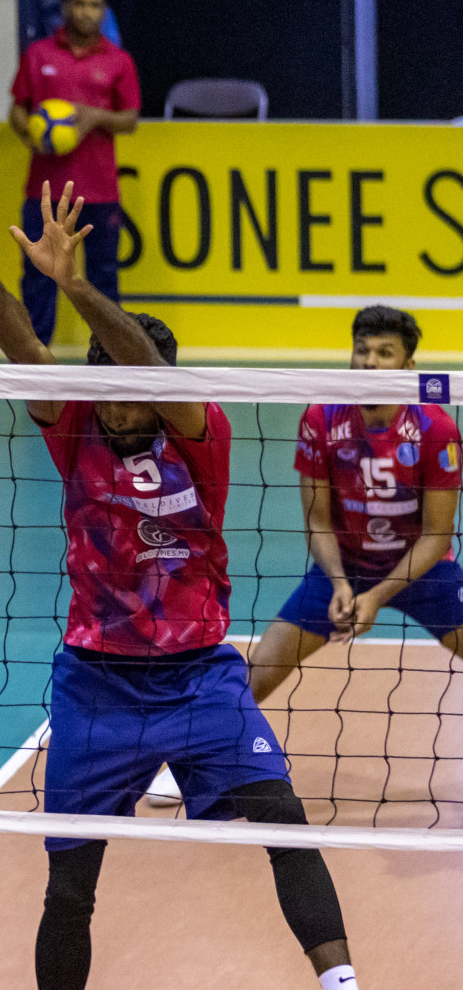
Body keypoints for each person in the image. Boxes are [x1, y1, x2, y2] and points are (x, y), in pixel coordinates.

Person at [0, 176, 359, 990]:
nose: (127, 400)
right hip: (96, 687)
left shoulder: (201, 434)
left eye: (140, 383)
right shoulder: (73, 429)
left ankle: (342, 983)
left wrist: (76, 285)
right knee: (69, 886)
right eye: (112, 385)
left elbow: (150, 373)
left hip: (201, 679)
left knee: (283, 820)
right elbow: (24, 346)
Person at [148, 306, 463, 805]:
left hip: (421, 570)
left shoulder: (436, 425)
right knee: (263, 666)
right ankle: (191, 764)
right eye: (363, 351)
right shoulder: (322, 415)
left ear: (408, 367)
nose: (370, 363)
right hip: (345, 566)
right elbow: (318, 520)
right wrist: (340, 583)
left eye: (385, 354)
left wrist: (377, 596)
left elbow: (438, 535)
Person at [8, 0, 139, 345]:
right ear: (65, 6)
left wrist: (94, 116)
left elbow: (129, 120)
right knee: (37, 277)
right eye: (80, 3)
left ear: (104, 11)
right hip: (45, 193)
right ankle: (35, 361)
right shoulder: (38, 55)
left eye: (95, 5)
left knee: (103, 281)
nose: (86, 12)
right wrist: (32, 133)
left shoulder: (118, 61)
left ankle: (110, 359)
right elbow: (17, 110)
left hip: (98, 192)